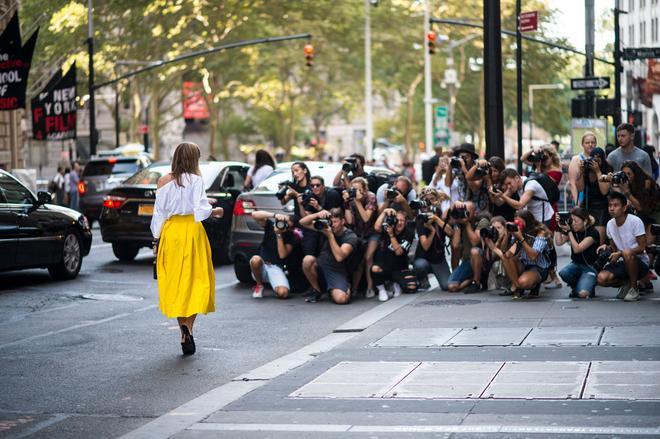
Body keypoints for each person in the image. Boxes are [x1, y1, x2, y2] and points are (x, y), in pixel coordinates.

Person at [150, 142, 225, 355]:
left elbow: (159, 214)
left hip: (171, 232)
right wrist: (216, 211)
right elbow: (200, 211)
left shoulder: (163, 181)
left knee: (176, 283)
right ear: (193, 159)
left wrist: (156, 240)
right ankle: (189, 328)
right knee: (196, 282)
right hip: (192, 232)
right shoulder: (196, 180)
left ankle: (182, 326)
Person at [596, 192, 649, 301]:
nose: (611, 208)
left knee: (626, 253)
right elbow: (614, 249)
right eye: (610, 205)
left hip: (640, 262)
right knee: (601, 279)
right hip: (622, 261)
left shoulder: (635, 221)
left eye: (615, 205)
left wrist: (620, 253)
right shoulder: (610, 224)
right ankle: (628, 283)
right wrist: (607, 248)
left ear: (624, 208)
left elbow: (642, 247)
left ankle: (634, 289)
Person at [300, 208, 358, 304]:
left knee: (341, 299)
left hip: (336, 270)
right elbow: (302, 222)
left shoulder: (350, 237)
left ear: (343, 221)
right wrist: (318, 214)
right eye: (331, 222)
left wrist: (330, 236)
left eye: (335, 222)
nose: (332, 225)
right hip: (320, 264)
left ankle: (340, 287)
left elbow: (340, 257)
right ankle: (317, 290)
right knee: (307, 260)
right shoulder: (326, 228)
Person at [499, 209, 552, 299]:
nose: (517, 224)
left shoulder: (540, 233)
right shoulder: (517, 231)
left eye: (519, 222)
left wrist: (521, 238)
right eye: (516, 222)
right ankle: (518, 287)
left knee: (523, 282)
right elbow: (504, 252)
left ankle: (525, 286)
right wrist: (507, 234)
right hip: (524, 264)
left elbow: (533, 256)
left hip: (539, 267)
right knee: (506, 258)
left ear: (527, 221)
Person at [412, 187, 454, 291]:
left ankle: (439, 273)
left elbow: (450, 233)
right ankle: (422, 279)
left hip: (438, 259)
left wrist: (436, 219)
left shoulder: (440, 215)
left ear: (437, 200)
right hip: (424, 258)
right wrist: (432, 232)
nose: (429, 202)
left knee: (446, 286)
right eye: (426, 199)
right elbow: (425, 246)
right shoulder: (420, 218)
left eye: (432, 199)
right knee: (420, 266)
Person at [342, 177, 378, 296]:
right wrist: (346, 204)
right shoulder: (352, 199)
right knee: (359, 260)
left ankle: (370, 287)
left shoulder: (371, 197)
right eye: (353, 189)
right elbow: (350, 221)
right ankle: (354, 289)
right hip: (358, 233)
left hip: (372, 232)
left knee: (368, 257)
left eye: (358, 189)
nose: (355, 191)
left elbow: (366, 218)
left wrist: (357, 201)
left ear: (364, 189)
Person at [372, 208, 417, 301]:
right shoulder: (388, 228)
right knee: (375, 269)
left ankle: (396, 283)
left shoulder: (408, 233)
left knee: (411, 287)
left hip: (399, 268)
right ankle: (382, 290)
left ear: (405, 222)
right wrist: (384, 212)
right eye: (397, 220)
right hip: (385, 265)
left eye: (402, 221)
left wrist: (391, 235)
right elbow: (376, 227)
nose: (399, 223)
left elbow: (399, 252)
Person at [248, 211, 296, 299]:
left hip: (276, 268)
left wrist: (279, 234)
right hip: (262, 266)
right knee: (255, 259)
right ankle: (259, 285)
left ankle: (275, 283)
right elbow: (254, 215)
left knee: (283, 293)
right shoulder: (271, 226)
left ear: (291, 228)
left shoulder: (291, 237)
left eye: (287, 225)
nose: (283, 225)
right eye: (284, 222)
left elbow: (282, 255)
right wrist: (275, 215)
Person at [555, 208, 600, 299]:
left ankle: (586, 286)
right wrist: (558, 226)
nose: (573, 223)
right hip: (576, 264)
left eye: (576, 221)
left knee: (583, 294)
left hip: (590, 267)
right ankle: (577, 286)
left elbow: (577, 249)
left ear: (585, 221)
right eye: (572, 220)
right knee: (563, 273)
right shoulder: (573, 230)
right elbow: (559, 242)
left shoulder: (592, 232)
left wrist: (569, 232)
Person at [447, 201, 489, 294]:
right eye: (462, 210)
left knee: (474, 251)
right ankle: (473, 278)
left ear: (475, 212)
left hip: (482, 260)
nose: (464, 213)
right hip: (467, 262)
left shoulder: (482, 221)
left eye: (467, 211)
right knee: (452, 286)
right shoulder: (460, 223)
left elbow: (475, 242)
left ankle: (476, 283)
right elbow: (455, 245)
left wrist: (467, 224)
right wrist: (457, 224)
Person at [298, 175, 343, 256]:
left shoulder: (332, 194)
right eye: (312, 185)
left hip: (333, 224)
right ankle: (309, 259)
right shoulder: (310, 195)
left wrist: (318, 207)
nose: (315, 187)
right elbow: (305, 217)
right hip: (318, 224)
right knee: (308, 238)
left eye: (318, 185)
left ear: (323, 186)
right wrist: (300, 205)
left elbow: (334, 217)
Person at [575, 147, 611, 244]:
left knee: (599, 241)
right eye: (593, 159)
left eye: (598, 159)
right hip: (587, 206)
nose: (595, 162)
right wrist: (581, 171)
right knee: (585, 239)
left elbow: (604, 191)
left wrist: (598, 171)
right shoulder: (586, 171)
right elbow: (580, 188)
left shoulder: (607, 171)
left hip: (601, 208)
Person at [568, 132, 597, 204]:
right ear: (582, 144)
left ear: (596, 144)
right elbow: (572, 183)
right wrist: (576, 202)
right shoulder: (576, 159)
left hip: (596, 200)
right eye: (587, 143)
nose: (590, 145)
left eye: (592, 142)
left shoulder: (598, 158)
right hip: (581, 199)